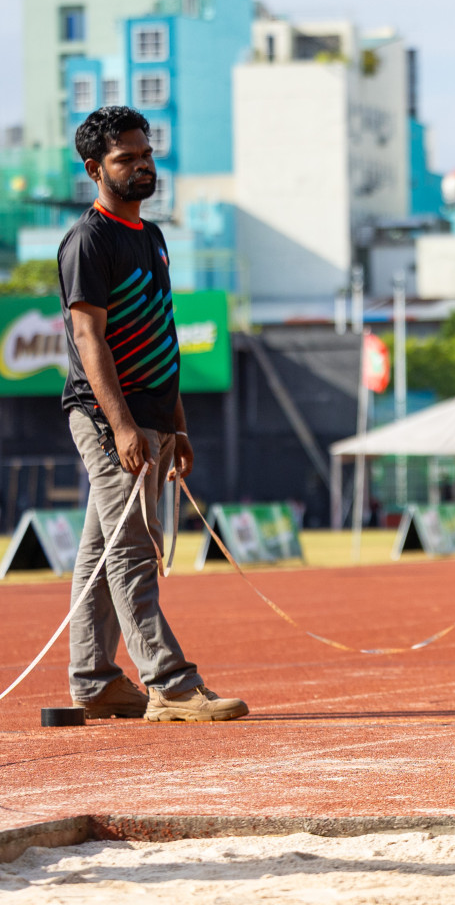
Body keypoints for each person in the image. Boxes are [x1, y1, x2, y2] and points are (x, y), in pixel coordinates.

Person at [59, 106, 247, 722]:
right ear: (95, 169)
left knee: (102, 548)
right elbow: (90, 340)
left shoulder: (153, 237)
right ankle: (168, 682)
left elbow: (163, 336)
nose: (143, 165)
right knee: (134, 546)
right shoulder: (90, 239)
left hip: (155, 417)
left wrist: (179, 424)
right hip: (108, 416)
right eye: (126, 158)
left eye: (146, 154)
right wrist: (122, 427)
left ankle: (93, 679)